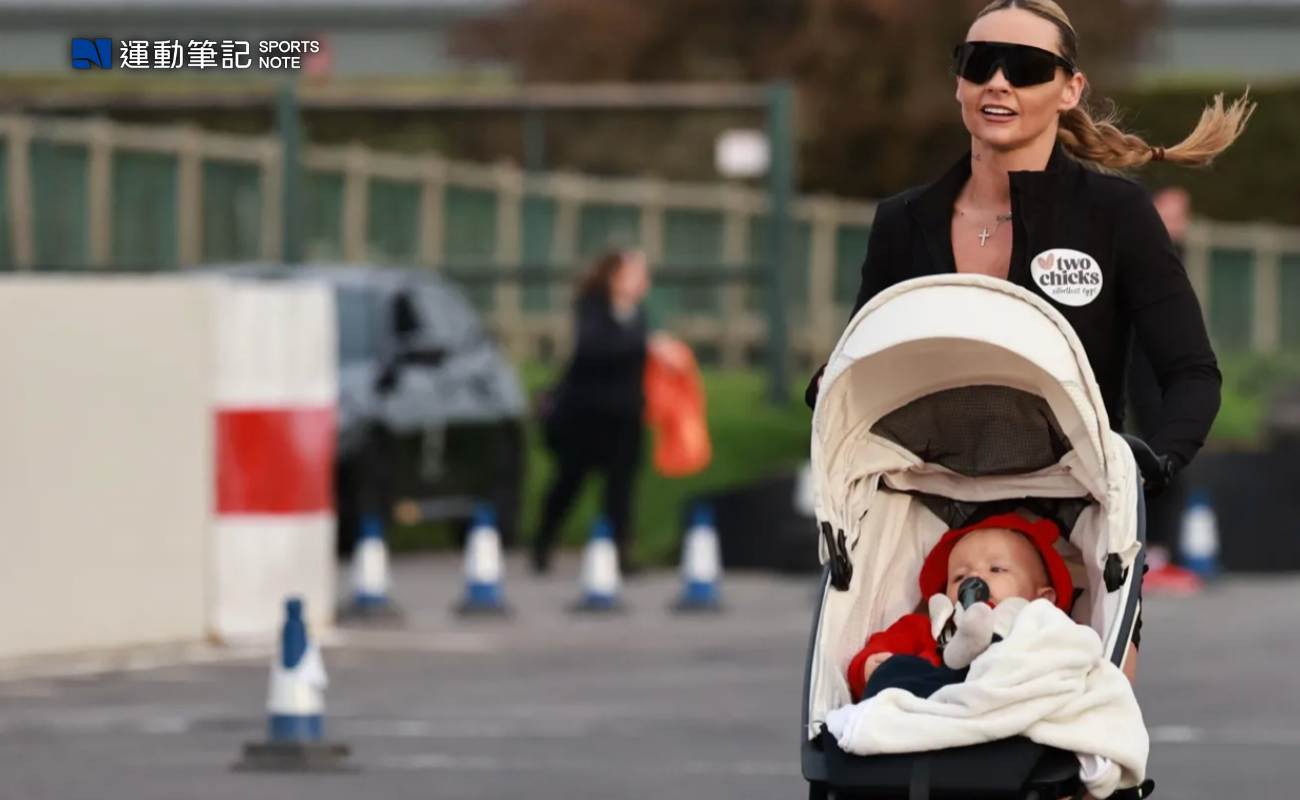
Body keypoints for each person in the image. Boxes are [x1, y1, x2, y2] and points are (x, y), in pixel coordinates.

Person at [804, 0, 1254, 685]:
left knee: (1080, 736)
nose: (999, 82)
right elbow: (866, 359)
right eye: (979, 63)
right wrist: (832, 388)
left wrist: (1150, 469)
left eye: (1027, 67)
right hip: (926, 524)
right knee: (886, 714)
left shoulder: (1115, 215)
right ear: (958, 81)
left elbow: (1192, 371)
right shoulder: (903, 219)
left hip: (1079, 524)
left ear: (1070, 89)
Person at [530, 248, 689, 575]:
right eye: (635, 273)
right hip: (585, 414)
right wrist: (648, 346)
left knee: (621, 487)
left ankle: (620, 554)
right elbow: (593, 349)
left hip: (625, 415)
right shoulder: (591, 308)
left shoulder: (638, 314)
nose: (643, 281)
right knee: (569, 481)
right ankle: (543, 541)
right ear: (615, 276)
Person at [848, 514, 1074, 702]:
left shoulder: (1047, 628)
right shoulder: (926, 628)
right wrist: (867, 667)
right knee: (894, 670)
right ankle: (961, 653)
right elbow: (883, 646)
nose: (974, 578)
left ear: (1043, 599)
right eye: (959, 577)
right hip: (934, 701)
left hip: (1010, 699)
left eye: (996, 569)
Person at [1128, 187, 1203, 594]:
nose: (1176, 224)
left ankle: (1159, 553)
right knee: (1154, 454)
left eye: (1181, 216)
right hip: (1141, 373)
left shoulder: (1175, 260)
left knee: (1175, 459)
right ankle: (1149, 553)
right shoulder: (1136, 255)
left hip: (1167, 373)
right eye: (1168, 214)